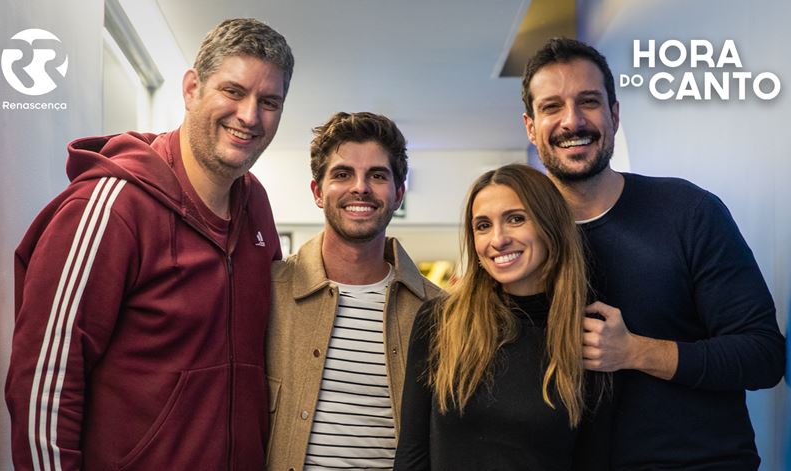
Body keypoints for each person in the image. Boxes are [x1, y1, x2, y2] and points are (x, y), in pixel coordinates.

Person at [5, 19, 293, 470]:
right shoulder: (111, 206)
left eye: (269, 101)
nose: (250, 116)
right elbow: (45, 386)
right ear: (192, 88)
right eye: (233, 91)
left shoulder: (256, 207)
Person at [521, 37, 786, 469]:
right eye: (552, 107)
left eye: (588, 101)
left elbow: (762, 355)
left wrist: (634, 351)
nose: (572, 121)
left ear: (615, 114)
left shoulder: (687, 211)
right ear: (531, 126)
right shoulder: (521, 240)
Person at [394, 164, 609, 470]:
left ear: (551, 226)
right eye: (482, 225)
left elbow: (594, 460)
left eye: (516, 219)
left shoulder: (590, 337)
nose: (498, 239)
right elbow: (411, 455)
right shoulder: (441, 320)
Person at [266, 111, 442, 470]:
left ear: (398, 194)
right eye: (343, 174)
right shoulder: (269, 293)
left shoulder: (440, 312)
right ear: (317, 192)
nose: (360, 187)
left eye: (377, 176)